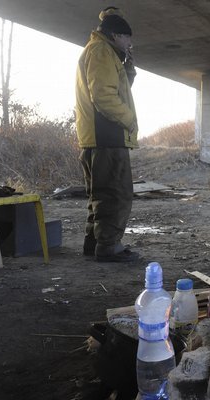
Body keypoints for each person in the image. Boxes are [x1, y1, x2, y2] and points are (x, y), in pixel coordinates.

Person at [75, 7, 140, 262]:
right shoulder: (101, 51)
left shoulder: (101, 52)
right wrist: (130, 120)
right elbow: (103, 96)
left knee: (100, 194)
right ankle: (109, 246)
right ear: (115, 35)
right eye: (127, 38)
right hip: (108, 136)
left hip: (97, 137)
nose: (129, 43)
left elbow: (116, 88)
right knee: (116, 193)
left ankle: (94, 242)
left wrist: (128, 69)